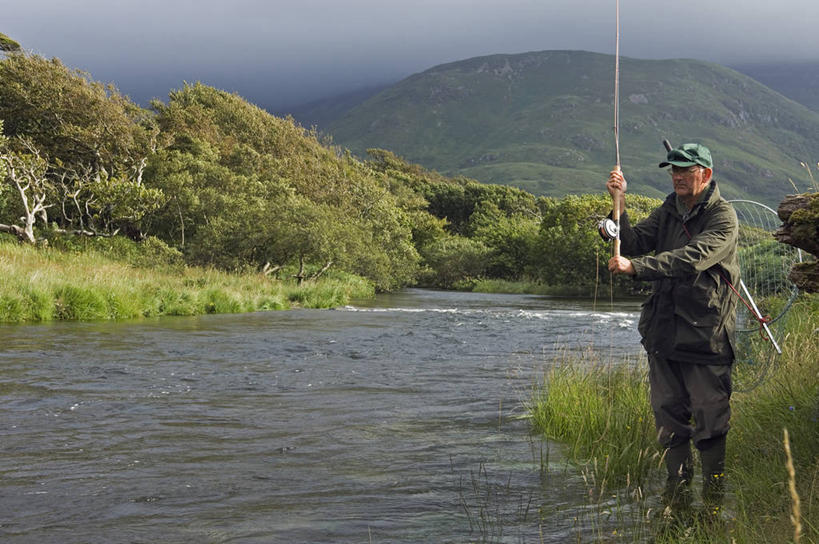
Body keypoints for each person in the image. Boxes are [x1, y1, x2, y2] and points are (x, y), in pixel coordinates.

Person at [605, 143, 739, 521]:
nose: (677, 176)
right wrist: (620, 203)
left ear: (705, 175)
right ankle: (677, 496)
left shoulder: (723, 218)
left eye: (685, 170)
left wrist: (637, 268)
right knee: (668, 418)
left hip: (705, 338)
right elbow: (631, 243)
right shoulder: (668, 209)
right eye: (673, 171)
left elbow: (693, 257)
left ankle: (713, 500)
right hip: (663, 335)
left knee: (710, 420)